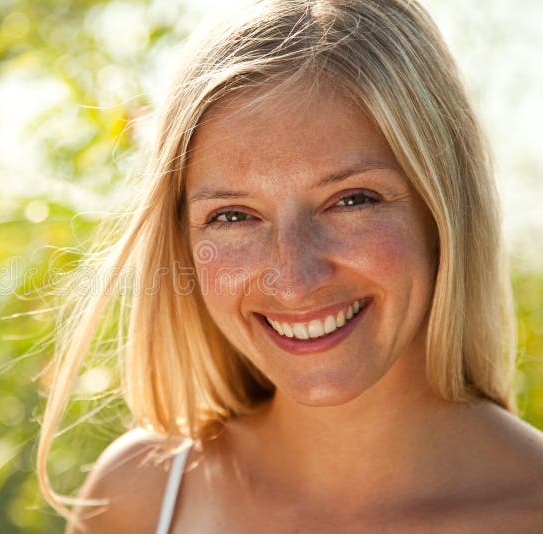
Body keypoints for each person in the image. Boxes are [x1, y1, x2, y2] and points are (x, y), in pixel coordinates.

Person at [37, 0, 543, 531]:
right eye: (234, 216)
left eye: (352, 200)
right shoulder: (140, 497)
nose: (294, 280)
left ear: (443, 210)